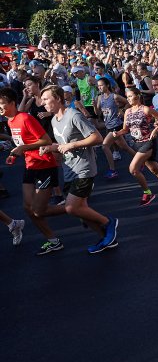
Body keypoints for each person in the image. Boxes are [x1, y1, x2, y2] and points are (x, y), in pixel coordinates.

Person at [38, 86, 119, 254]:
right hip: (69, 170)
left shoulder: (74, 115)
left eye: (46, 99)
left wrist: (72, 145)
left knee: (71, 208)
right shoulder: (54, 120)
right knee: (82, 211)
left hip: (84, 168)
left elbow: (97, 137)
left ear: (58, 99)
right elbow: (63, 145)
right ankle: (106, 239)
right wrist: (51, 148)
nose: (42, 103)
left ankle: (108, 222)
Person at [0, 87, 58, 249]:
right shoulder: (10, 122)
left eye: (2, 104)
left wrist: (22, 149)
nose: (0, 107)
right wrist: (15, 153)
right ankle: (53, 241)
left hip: (44, 165)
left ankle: (74, 209)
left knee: (39, 210)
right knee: (28, 208)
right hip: (30, 165)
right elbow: (23, 144)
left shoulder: (24, 118)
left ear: (12, 103)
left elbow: (46, 140)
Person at [116, 86, 158, 205]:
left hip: (148, 142)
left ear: (137, 96)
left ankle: (147, 192)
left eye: (130, 96)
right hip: (136, 143)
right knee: (155, 170)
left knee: (133, 169)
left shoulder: (146, 109)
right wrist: (117, 133)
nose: (128, 99)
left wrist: (155, 130)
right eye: (127, 97)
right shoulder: (127, 111)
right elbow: (125, 129)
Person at [95, 78, 133, 179]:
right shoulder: (100, 98)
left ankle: (112, 170)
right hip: (108, 125)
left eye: (101, 85)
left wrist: (123, 110)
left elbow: (128, 102)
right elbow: (98, 113)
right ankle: (141, 160)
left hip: (116, 125)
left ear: (107, 85)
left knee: (105, 146)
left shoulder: (114, 96)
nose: (99, 87)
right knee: (124, 147)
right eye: (98, 86)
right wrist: (95, 105)